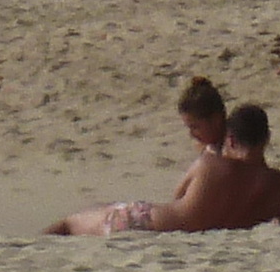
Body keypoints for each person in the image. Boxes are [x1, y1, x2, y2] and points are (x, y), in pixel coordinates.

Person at [46, 76, 231, 236]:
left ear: (215, 119)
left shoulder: (216, 158)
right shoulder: (217, 152)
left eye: (195, 127)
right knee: (89, 213)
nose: (192, 134)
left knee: (71, 224)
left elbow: (180, 197)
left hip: (150, 219)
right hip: (154, 216)